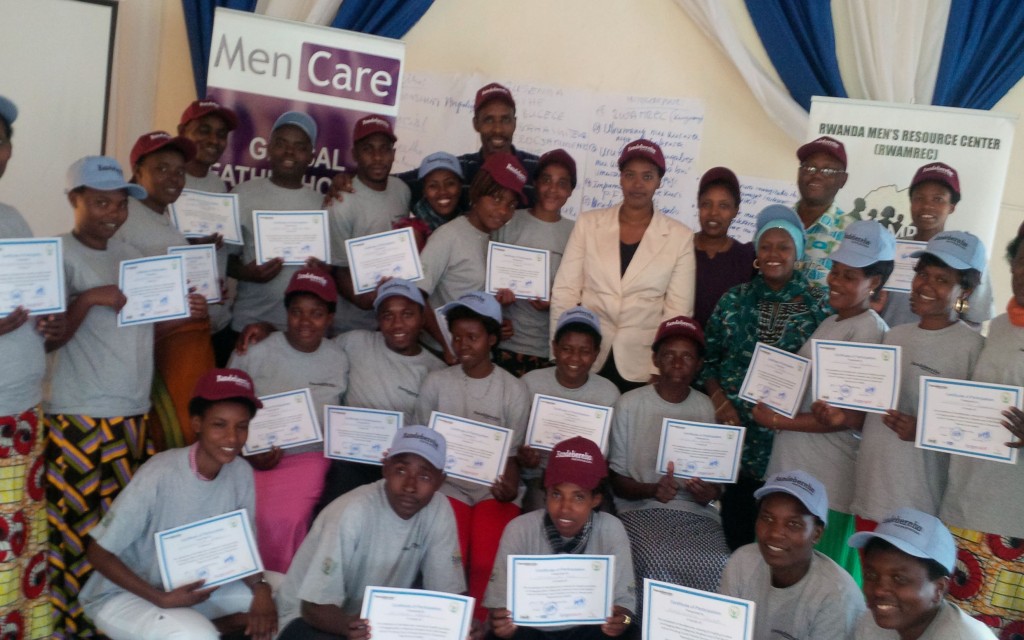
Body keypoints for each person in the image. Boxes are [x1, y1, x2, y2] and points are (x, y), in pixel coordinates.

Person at [44, 156, 204, 638]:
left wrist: (184, 308)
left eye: (119, 203)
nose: (112, 213)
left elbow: (144, 325)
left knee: (115, 534)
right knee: (70, 530)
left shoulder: (131, 256)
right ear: (74, 201)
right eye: (99, 202)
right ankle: (63, 626)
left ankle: (102, 620)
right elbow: (49, 339)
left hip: (131, 416)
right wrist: (89, 298)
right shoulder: (56, 254)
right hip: (79, 416)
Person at [79, 368, 277, 640]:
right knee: (195, 636)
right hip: (128, 595)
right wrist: (160, 598)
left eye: (241, 426)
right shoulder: (160, 473)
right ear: (197, 424)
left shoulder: (240, 472)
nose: (232, 438)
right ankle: (217, 627)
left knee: (286, 598)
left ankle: (223, 625)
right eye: (219, 424)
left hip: (195, 589)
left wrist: (262, 588)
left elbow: (243, 549)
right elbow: (97, 553)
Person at [762, 220, 894, 581]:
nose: (835, 281)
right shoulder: (833, 321)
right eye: (835, 271)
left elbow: (850, 418)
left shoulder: (869, 330)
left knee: (822, 583)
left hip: (827, 487)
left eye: (850, 276)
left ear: (875, 283)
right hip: (802, 474)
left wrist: (778, 421)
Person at [700, 205, 829, 550]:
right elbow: (707, 359)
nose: (774, 254)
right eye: (766, 246)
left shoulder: (821, 306)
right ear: (756, 251)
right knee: (738, 539)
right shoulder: (734, 300)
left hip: (789, 448)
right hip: (737, 448)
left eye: (784, 247)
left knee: (783, 545)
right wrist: (718, 398)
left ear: (798, 252)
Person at [275, 425, 466, 639]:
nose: (410, 486)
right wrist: (350, 627)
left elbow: (447, 597)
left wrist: (461, 623)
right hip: (308, 619)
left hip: (372, 625)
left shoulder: (439, 510)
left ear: (441, 480)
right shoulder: (351, 512)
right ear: (385, 468)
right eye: (401, 471)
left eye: (424, 476)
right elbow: (313, 608)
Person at [851, 231, 986, 525]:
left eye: (942, 280)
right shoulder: (893, 335)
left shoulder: (973, 348)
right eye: (923, 274)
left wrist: (925, 428)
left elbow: (978, 431)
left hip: (921, 504)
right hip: (870, 492)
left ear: (964, 291)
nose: (926, 285)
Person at [415, 292, 529, 621]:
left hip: (492, 487)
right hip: (446, 483)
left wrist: (509, 482)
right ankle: (444, 625)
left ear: (492, 339)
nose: (462, 344)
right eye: (457, 336)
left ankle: (481, 626)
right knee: (449, 558)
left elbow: (513, 452)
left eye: (473, 337)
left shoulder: (513, 389)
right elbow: (422, 441)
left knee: (485, 561)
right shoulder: (436, 382)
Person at [550, 139, 696, 392]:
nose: (638, 184)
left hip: (642, 363)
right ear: (620, 178)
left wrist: (658, 368)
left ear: (659, 181)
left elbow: (677, 311)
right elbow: (565, 291)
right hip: (585, 355)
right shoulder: (588, 224)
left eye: (647, 176)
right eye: (630, 175)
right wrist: (559, 352)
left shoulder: (679, 237)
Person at [227, 267, 349, 572]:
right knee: (243, 514)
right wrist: (248, 453)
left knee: (288, 518)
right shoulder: (255, 351)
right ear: (286, 312)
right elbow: (227, 407)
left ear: (330, 318)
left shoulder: (340, 357)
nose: (305, 321)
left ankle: (281, 588)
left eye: (316, 313)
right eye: (297, 312)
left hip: (308, 458)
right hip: (251, 457)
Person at [939, 223, 1024, 638]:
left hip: (1014, 524)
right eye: (1022, 259)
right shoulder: (993, 328)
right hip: (964, 507)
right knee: (956, 628)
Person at [609, 316, 730, 605]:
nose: (678, 363)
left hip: (698, 514)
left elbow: (719, 487)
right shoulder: (629, 403)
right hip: (641, 509)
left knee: (720, 563)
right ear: (655, 359)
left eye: (687, 356)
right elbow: (616, 481)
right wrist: (652, 490)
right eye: (669, 355)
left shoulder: (706, 408)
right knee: (652, 558)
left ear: (699, 364)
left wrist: (709, 493)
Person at [0, 93, 63, 639]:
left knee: (17, 550)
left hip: (21, 411)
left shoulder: (15, 220)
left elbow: (30, 300)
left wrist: (41, 322)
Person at [116, 130, 216, 448]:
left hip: (170, 356)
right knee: (169, 442)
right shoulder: (124, 218)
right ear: (137, 172)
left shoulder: (162, 217)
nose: (173, 177)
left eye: (179, 170)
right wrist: (184, 311)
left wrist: (206, 292)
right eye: (161, 168)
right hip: (150, 361)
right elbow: (126, 304)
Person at [485, 436, 635, 640]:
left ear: (596, 500)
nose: (565, 508)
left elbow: (626, 613)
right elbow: (498, 611)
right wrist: (500, 624)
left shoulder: (611, 529)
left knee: (632, 633)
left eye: (579, 497)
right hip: (532, 632)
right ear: (545, 493)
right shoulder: (519, 529)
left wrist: (623, 621)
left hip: (588, 632)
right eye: (556, 494)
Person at [316, 278, 446, 505]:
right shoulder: (354, 342)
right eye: (388, 315)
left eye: (407, 314)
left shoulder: (436, 372)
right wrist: (267, 329)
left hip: (399, 466)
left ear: (422, 318)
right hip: (348, 458)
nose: (397, 324)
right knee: (337, 507)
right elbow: (310, 347)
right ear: (378, 319)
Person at [719, 470, 864, 640]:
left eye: (793, 524)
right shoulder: (742, 561)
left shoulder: (837, 596)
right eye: (767, 518)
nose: (775, 533)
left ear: (816, 534)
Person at [418, 153, 527, 360]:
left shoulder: (494, 240)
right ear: (477, 194)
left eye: (511, 205)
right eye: (496, 199)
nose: (503, 210)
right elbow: (416, 297)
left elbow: (472, 297)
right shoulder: (449, 236)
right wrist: (446, 345)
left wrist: (494, 323)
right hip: (440, 355)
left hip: (473, 356)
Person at [228, 111, 324, 334]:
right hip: (249, 321)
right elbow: (224, 260)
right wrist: (246, 273)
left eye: (300, 146)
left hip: (303, 331)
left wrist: (324, 270)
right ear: (269, 148)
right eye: (281, 143)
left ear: (311, 156)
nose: (289, 152)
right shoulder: (243, 194)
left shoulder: (324, 205)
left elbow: (332, 267)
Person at [517, 307, 620, 512]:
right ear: (554, 348)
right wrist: (525, 458)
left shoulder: (608, 393)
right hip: (540, 477)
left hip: (586, 481)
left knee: (602, 520)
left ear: (596, 354)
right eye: (567, 349)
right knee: (538, 514)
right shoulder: (530, 384)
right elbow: (516, 446)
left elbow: (609, 457)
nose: (574, 358)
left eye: (584, 351)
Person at [878, 162, 994, 329]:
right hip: (888, 346)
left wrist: (949, 306)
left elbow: (975, 313)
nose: (927, 205)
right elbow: (870, 298)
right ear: (911, 203)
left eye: (938, 199)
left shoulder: (968, 255)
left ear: (952, 207)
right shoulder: (889, 249)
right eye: (919, 198)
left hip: (941, 350)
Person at [849, 508, 996, 639]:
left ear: (938, 589)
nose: (879, 590)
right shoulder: (870, 624)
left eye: (899, 579)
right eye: (871, 576)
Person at [494, 149, 577, 377]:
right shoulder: (509, 220)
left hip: (550, 350)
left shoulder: (578, 232)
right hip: (505, 344)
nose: (553, 189)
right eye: (546, 180)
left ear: (570, 191)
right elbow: (485, 279)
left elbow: (584, 291)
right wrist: (495, 310)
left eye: (562, 183)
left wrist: (556, 300)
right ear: (535, 182)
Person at [328, 115, 411, 333]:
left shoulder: (402, 190)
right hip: (352, 325)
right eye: (368, 149)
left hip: (393, 322)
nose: (377, 157)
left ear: (393, 154)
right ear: (355, 154)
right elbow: (336, 269)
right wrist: (365, 300)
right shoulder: (341, 204)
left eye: (384, 149)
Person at [177, 99, 241, 365]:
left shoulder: (219, 186)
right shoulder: (166, 182)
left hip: (216, 323)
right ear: (182, 133)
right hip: (177, 326)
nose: (213, 139)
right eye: (204, 130)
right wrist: (188, 244)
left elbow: (229, 257)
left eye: (221, 134)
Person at [693, 166, 755, 327]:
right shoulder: (678, 248)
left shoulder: (748, 258)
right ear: (698, 205)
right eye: (707, 204)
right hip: (681, 348)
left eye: (723, 206)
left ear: (736, 210)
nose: (714, 213)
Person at [793, 136, 854, 289]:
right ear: (799, 173)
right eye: (810, 168)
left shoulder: (852, 234)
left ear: (843, 180)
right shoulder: (775, 223)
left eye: (828, 170)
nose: (817, 175)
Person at [395, 151, 465, 250]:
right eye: (433, 186)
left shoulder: (469, 226)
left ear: (460, 186)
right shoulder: (412, 233)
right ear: (424, 191)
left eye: (450, 183)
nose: (442, 191)